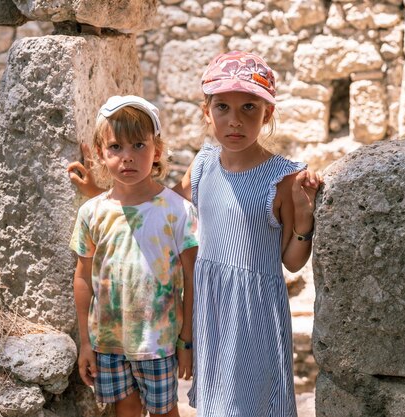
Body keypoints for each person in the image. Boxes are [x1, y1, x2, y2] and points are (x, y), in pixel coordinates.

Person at [68, 52, 323, 417]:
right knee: (218, 405)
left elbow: (293, 262)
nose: (234, 121)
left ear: (267, 114)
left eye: (249, 107)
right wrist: (99, 195)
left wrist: (303, 215)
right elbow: (155, 205)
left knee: (255, 401)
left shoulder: (281, 177)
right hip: (209, 306)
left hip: (253, 311)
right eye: (223, 107)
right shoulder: (203, 163)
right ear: (207, 112)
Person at [70, 95, 199, 417]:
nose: (127, 158)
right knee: (124, 410)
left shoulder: (178, 212)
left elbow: (192, 280)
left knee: (165, 411)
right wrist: (85, 343)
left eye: (138, 146)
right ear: (100, 153)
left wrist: (187, 343)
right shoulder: (92, 212)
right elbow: (83, 277)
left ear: (157, 150)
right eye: (116, 147)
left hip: (159, 342)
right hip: (108, 343)